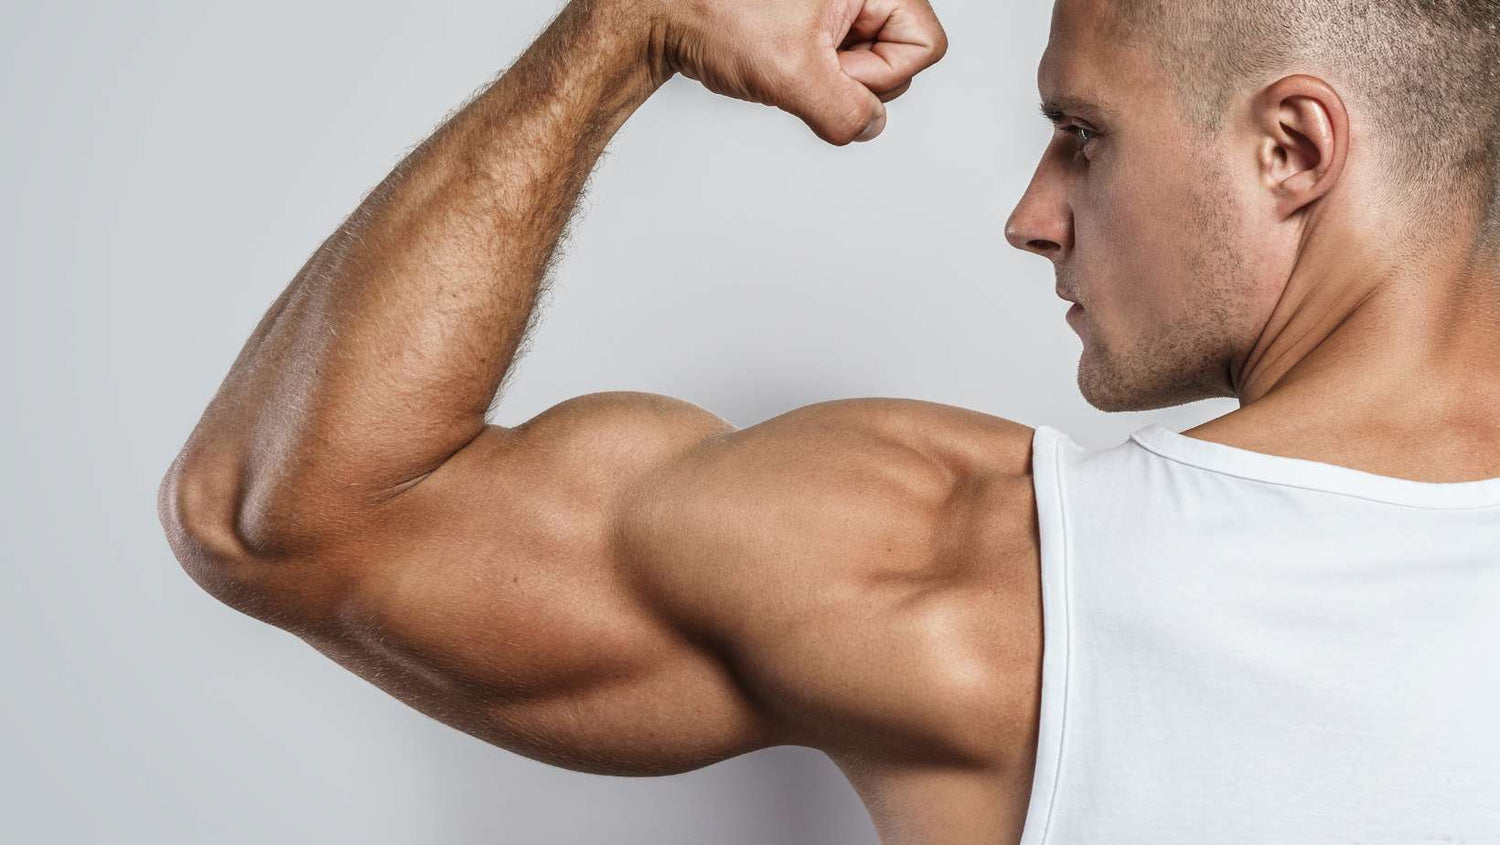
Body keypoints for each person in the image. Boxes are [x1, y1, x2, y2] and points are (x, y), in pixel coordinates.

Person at [157, 0, 1500, 841]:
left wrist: (631, 23)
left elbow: (277, 511)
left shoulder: (981, 582)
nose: (1034, 214)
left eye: (1082, 133)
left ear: (1294, 151)